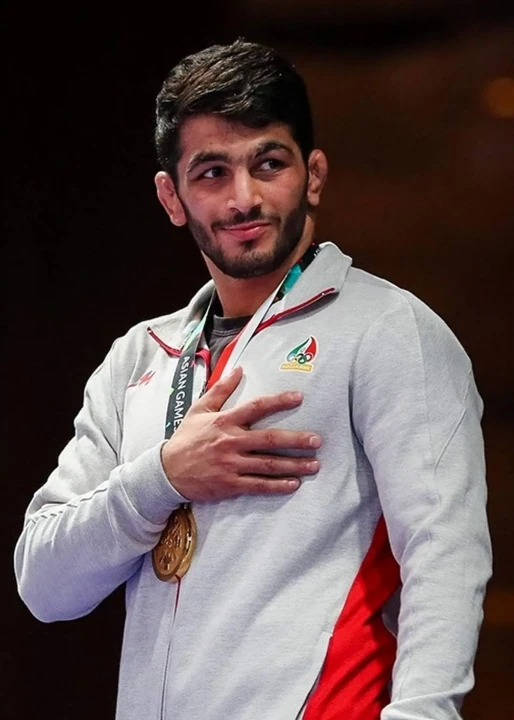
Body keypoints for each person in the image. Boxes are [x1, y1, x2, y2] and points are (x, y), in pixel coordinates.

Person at [14, 39, 492, 720]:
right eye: (212, 172)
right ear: (171, 197)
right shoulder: (139, 358)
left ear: (313, 175)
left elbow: (444, 557)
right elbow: (44, 584)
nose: (244, 198)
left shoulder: (389, 331)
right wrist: (163, 478)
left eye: (269, 164)